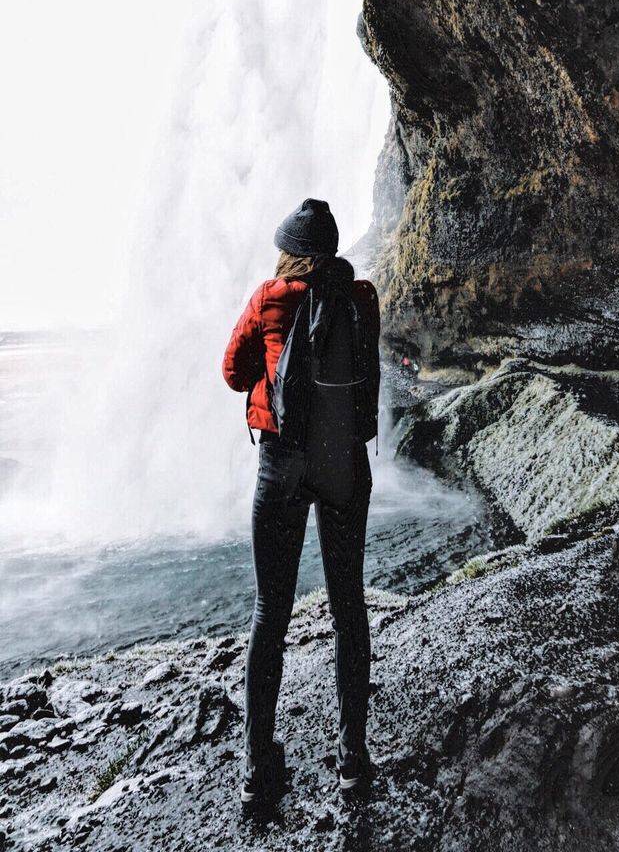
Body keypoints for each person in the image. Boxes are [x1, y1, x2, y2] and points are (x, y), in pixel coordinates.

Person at [221, 198, 381, 808]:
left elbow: (233, 373)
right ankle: (352, 759)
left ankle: (260, 768)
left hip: (282, 465)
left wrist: (274, 378)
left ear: (290, 251)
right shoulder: (361, 298)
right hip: (344, 464)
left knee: (271, 614)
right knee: (349, 609)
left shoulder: (270, 297)